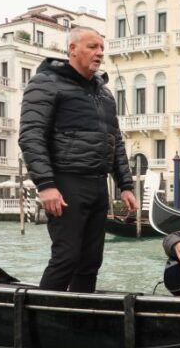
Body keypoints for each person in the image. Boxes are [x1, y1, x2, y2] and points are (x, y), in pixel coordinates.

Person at [19, 26, 137, 292]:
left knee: (91, 261)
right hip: (65, 182)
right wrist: (46, 185)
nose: (99, 53)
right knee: (66, 258)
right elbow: (31, 136)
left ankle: (77, 322)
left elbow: (115, 141)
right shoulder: (45, 83)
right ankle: (41, 320)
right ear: (72, 49)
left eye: (101, 48)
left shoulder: (104, 94)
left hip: (97, 184)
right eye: (92, 47)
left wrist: (125, 185)